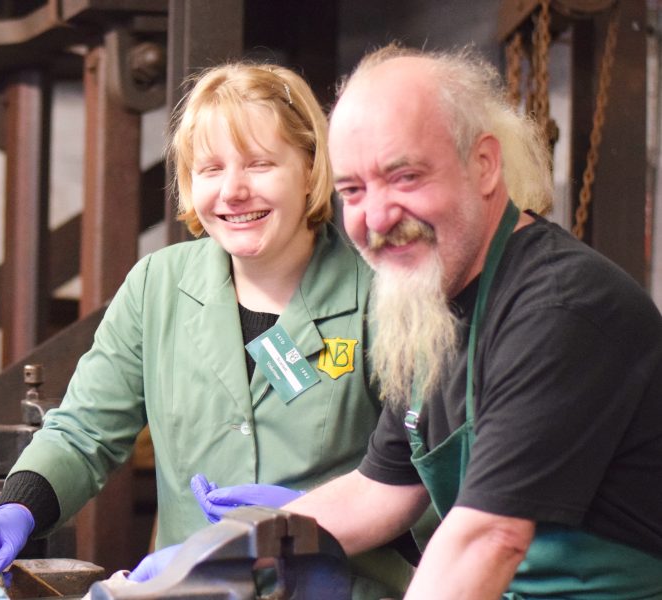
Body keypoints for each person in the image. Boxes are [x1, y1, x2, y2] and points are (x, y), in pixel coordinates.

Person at [0, 62, 413, 597]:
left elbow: (420, 475)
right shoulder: (158, 285)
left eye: (260, 164)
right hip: (190, 587)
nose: (234, 191)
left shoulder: (383, 296)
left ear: (311, 167)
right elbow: (84, 432)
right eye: (211, 169)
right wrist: (21, 504)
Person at [265, 43, 662, 598]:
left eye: (404, 177)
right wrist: (234, 554)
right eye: (352, 190)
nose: (375, 217)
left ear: (484, 165)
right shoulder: (430, 307)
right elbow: (378, 492)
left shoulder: (559, 308)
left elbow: (487, 537)